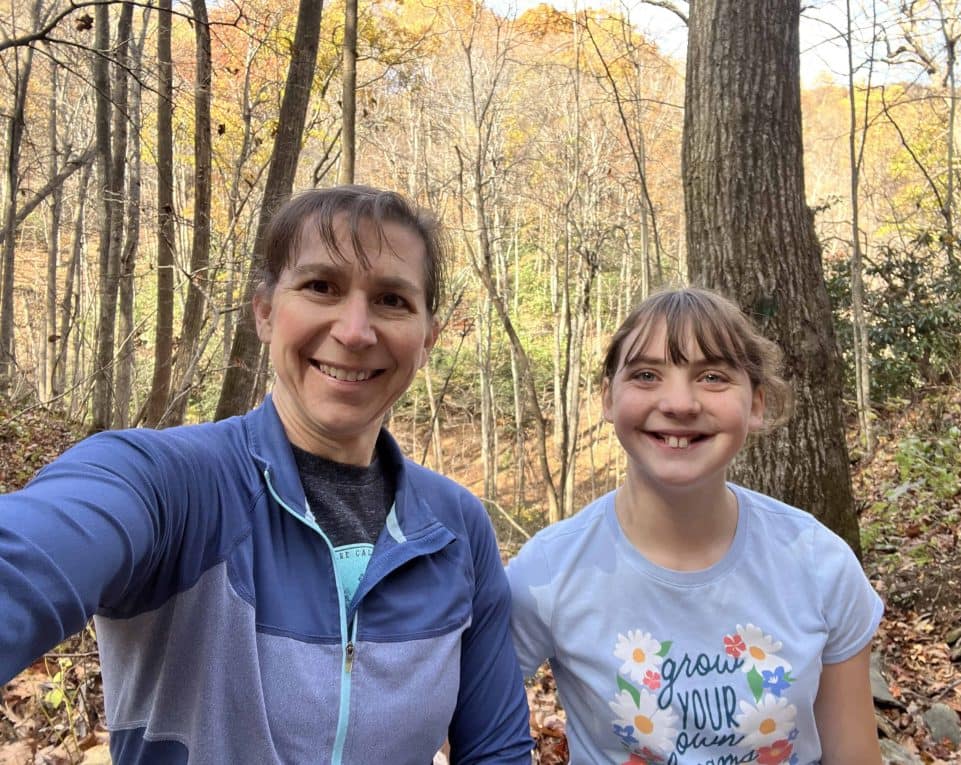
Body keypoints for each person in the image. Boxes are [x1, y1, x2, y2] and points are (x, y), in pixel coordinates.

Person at [0, 185, 533, 764]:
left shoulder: (456, 528)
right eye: (321, 286)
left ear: (428, 338)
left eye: (391, 300)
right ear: (264, 312)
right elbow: (27, 559)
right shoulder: (170, 485)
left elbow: (497, 751)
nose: (355, 331)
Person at [507, 287, 883, 765]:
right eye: (646, 375)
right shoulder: (549, 571)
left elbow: (854, 754)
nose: (680, 403)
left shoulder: (819, 563)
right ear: (608, 398)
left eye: (712, 377)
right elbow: (471, 730)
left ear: (756, 404)